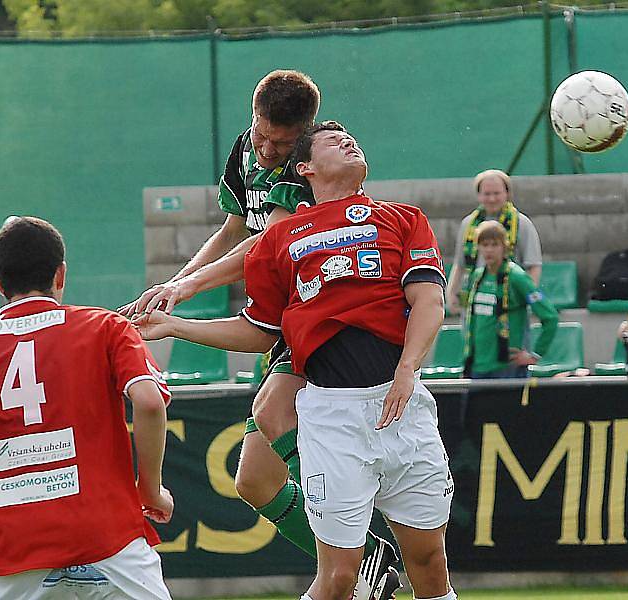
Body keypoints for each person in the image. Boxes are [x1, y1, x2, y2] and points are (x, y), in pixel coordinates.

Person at [136, 121, 456, 600]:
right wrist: (176, 325)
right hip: (333, 417)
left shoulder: (403, 218)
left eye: (353, 138)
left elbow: (429, 300)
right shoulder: (282, 238)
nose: (350, 141)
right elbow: (259, 331)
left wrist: (408, 367)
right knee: (341, 577)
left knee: (431, 565)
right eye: (334, 140)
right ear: (303, 167)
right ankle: (368, 558)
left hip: (403, 408)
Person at [0, 216, 173, 600]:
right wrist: (149, 490)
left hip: (14, 552)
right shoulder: (105, 327)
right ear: (61, 275)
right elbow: (150, 403)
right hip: (109, 539)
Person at [463, 220, 559, 379]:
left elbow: (550, 317)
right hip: (477, 366)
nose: (489, 250)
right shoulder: (477, 276)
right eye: (484, 244)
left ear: (504, 247)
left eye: (494, 245)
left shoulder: (517, 277)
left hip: (507, 368)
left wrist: (535, 355)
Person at [446, 169, 543, 315]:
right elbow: (460, 264)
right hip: (476, 300)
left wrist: (524, 299)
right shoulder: (468, 224)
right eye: (487, 194)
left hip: (509, 302)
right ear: (479, 195)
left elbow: (533, 265)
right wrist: (451, 294)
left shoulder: (521, 223)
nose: (492, 199)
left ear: (507, 194)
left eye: (496, 193)